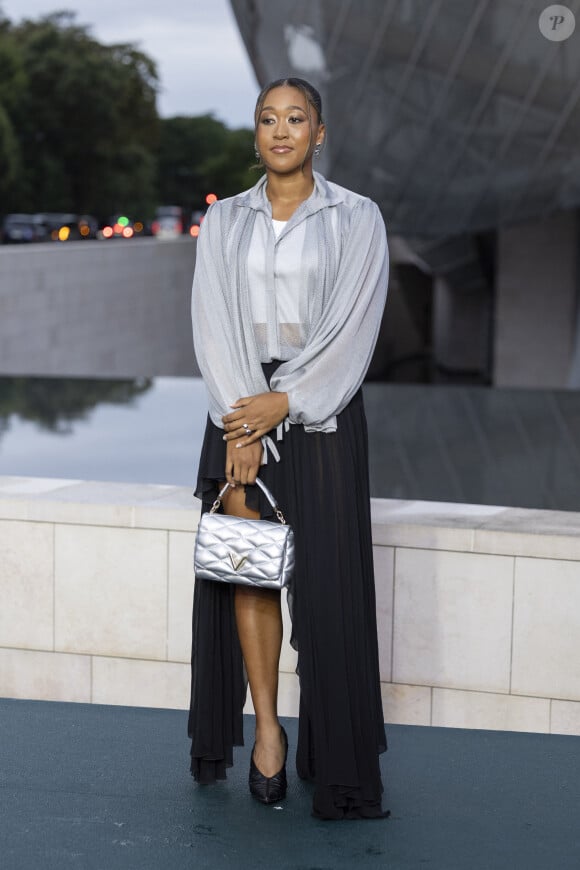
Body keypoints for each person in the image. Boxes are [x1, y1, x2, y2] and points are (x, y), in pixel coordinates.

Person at [188, 76, 390, 820]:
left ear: (319, 133)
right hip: (237, 405)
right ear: (257, 133)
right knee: (251, 571)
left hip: (322, 413)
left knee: (328, 587)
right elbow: (212, 322)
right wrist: (244, 423)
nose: (281, 131)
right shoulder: (223, 222)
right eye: (268, 119)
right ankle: (268, 733)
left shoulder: (358, 219)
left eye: (295, 118)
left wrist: (289, 403)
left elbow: (353, 329)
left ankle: (333, 755)